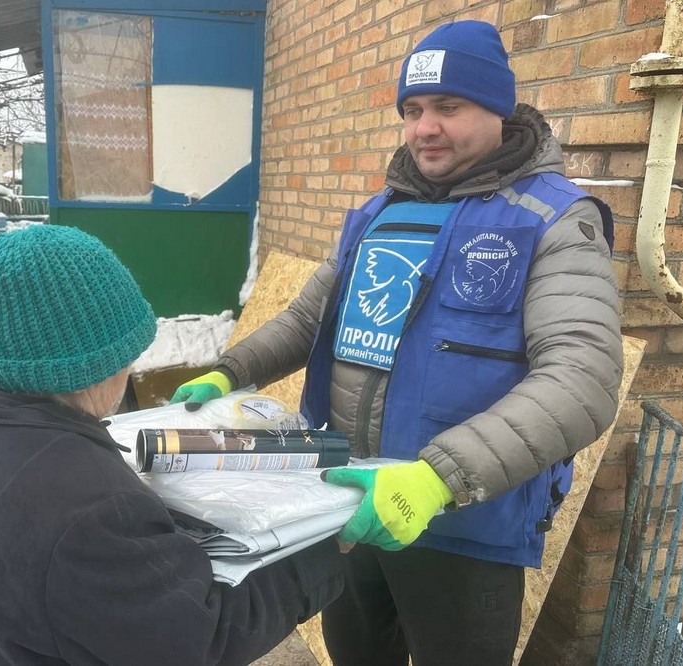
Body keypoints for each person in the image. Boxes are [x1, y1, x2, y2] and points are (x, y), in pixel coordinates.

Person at [171, 20, 623, 666]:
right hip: (351, 505)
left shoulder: (552, 218)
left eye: (448, 106)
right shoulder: (379, 213)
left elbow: (584, 378)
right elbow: (307, 320)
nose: (424, 128)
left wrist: (438, 480)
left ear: (498, 107)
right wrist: (229, 370)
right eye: (412, 110)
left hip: (462, 527)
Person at [0, 224, 344, 666]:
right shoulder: (87, 506)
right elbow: (203, 637)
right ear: (94, 362)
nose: (131, 366)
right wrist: (327, 552)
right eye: (128, 353)